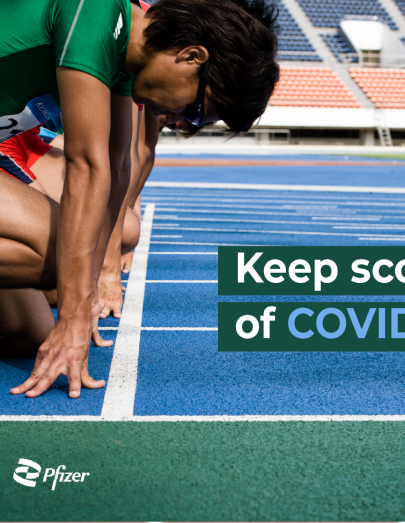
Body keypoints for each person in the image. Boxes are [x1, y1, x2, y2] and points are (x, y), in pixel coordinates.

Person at [0, 0, 279, 398]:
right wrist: (76, 315)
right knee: (62, 252)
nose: (184, 118)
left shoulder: (124, 58)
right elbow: (87, 165)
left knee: (28, 332)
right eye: (199, 110)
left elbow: (116, 169)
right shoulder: (94, 10)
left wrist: (88, 289)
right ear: (190, 56)